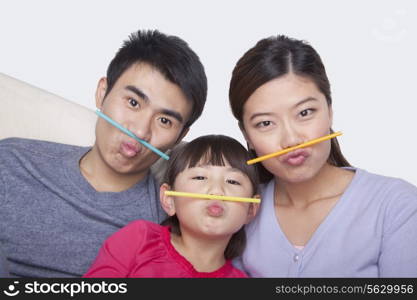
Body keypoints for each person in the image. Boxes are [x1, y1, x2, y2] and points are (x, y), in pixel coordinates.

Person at [0, 29, 207, 277]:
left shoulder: (171, 216)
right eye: (133, 102)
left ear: (181, 135)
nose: (140, 131)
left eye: (164, 120)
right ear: (102, 93)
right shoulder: (13, 162)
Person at [228, 35, 417, 277]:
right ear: (248, 136)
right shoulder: (240, 212)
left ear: (329, 111)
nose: (291, 140)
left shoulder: (398, 206)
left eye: (305, 112)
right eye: (265, 123)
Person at [83, 135, 259, 277]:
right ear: (169, 199)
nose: (216, 191)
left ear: (250, 209)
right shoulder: (139, 239)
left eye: (233, 181)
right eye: (200, 177)